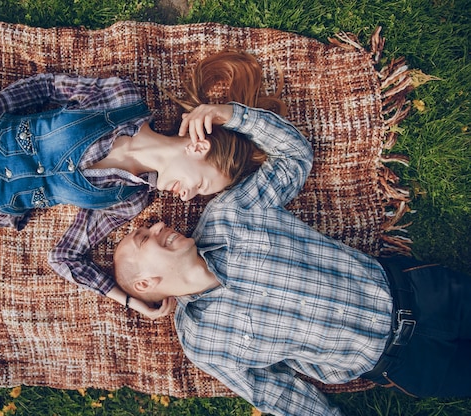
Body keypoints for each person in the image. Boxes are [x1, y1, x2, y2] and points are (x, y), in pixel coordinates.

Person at [0, 51, 279, 317]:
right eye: (199, 187)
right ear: (197, 147)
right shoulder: (123, 100)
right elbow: (48, 86)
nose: (187, 198)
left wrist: (127, 299)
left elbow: (65, 256)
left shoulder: (130, 201)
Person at [114, 100, 471, 415]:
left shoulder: (230, 215)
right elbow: (274, 393)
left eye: (149, 227)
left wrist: (233, 115)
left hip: (420, 292)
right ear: (146, 283)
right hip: (406, 364)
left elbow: (294, 156)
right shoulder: (201, 341)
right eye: (145, 237)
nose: (159, 224)